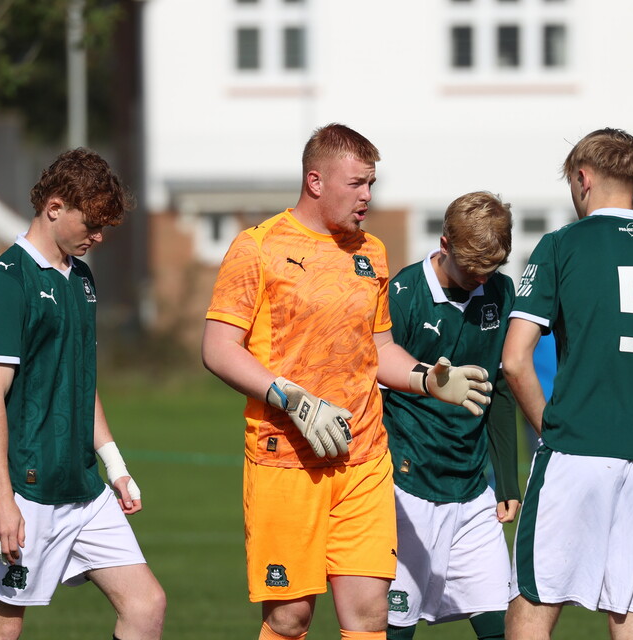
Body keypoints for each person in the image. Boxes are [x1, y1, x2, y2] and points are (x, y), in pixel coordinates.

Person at [201, 123, 492, 640]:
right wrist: (292, 399)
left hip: (364, 460)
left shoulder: (371, 252)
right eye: (356, 183)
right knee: (290, 618)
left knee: (369, 616)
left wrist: (427, 380)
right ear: (315, 181)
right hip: (285, 461)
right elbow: (219, 348)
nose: (367, 196)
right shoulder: (257, 248)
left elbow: (378, 349)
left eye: (371, 183)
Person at [501, 128, 633, 640]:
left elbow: (513, 360)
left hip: (577, 446)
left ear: (583, 178)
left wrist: (550, 426)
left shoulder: (561, 245)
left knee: (534, 601)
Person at [0, 148, 166, 640]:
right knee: (3, 625)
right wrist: (2, 500)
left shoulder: (82, 279)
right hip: (25, 488)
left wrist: (115, 466)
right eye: (92, 224)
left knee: (145, 606)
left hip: (83, 486)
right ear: (54, 207)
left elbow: (81, 381)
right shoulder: (7, 283)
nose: (98, 237)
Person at [381, 191, 521, 640]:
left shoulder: (500, 291)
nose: (481, 279)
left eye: (491, 269)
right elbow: (372, 386)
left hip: (473, 487)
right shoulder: (402, 295)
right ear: (444, 244)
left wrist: (507, 480)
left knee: (501, 620)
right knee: (394, 624)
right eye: (472, 269)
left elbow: (499, 388)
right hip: (407, 483)